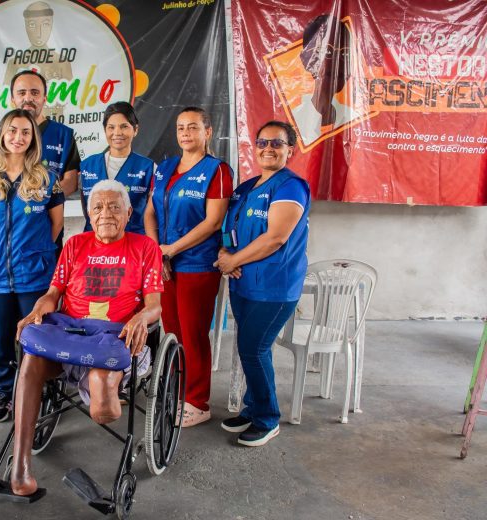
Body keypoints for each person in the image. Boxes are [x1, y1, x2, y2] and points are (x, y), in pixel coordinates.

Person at [10, 180, 163, 496]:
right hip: (69, 334)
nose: (105, 213)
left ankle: (100, 386)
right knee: (32, 358)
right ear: (88, 213)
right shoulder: (75, 245)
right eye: (98, 207)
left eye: (113, 206)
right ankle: (20, 465)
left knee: (103, 412)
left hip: (112, 340)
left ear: (128, 211)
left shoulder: (145, 248)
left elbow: (154, 307)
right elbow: (53, 294)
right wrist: (37, 309)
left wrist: (140, 318)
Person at [215, 120, 310, 447]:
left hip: (274, 288)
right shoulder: (246, 187)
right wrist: (226, 252)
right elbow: (229, 229)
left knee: (253, 349)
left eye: (277, 144)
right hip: (244, 285)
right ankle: (253, 408)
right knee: (252, 349)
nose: (268, 148)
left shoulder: (290, 187)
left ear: (289, 150)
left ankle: (268, 419)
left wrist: (234, 261)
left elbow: (275, 238)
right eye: (262, 143)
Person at [0, 108, 65, 422]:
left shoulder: (48, 179)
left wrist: (34, 253)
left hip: (35, 275)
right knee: (2, 342)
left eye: (25, 132)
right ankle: (5, 395)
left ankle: (38, 394)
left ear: (33, 138)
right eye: (12, 131)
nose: (18, 137)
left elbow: (55, 227)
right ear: (1, 135)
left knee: (36, 340)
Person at [144, 106, 232, 427]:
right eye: (181, 127)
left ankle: (198, 401)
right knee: (173, 333)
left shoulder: (218, 170)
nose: (185, 133)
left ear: (207, 132)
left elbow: (212, 222)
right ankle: (178, 390)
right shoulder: (165, 168)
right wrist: (157, 252)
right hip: (166, 264)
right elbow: (150, 213)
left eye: (193, 127)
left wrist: (172, 250)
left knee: (194, 334)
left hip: (197, 265)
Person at [0, 70, 80, 253]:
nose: (28, 98)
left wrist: (36, 203)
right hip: (5, 242)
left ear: (44, 98)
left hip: (45, 235)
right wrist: (16, 204)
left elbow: (71, 181)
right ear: (12, 99)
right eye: (21, 93)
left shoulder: (64, 134)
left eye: (35, 93)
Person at [78, 102, 154, 234]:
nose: (117, 133)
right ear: (105, 130)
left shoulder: (149, 167)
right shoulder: (87, 166)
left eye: (124, 126)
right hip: (94, 244)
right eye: (111, 127)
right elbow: (86, 209)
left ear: (135, 129)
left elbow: (153, 214)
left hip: (134, 243)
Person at [291, 15, 356, 146]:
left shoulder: (354, 120)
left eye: (345, 54)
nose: (338, 64)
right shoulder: (292, 121)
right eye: (328, 52)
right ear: (307, 59)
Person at [2, 1, 73, 121]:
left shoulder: (62, 61)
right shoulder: (14, 62)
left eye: (45, 24)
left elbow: (68, 104)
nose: (39, 33)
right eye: (32, 25)